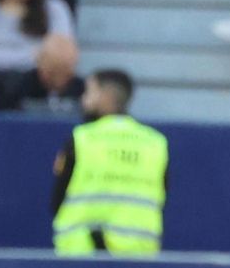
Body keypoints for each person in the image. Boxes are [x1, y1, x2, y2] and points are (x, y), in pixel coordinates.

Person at [52, 69, 169, 256]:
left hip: (80, 257)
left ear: (105, 96)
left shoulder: (82, 139)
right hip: (139, 260)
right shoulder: (155, 144)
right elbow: (161, 197)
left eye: (89, 93)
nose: (83, 100)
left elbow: (57, 200)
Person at [0, 33, 84, 114]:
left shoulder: (82, 90)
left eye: (65, 72)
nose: (58, 78)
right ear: (41, 64)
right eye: (52, 72)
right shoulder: (19, 87)